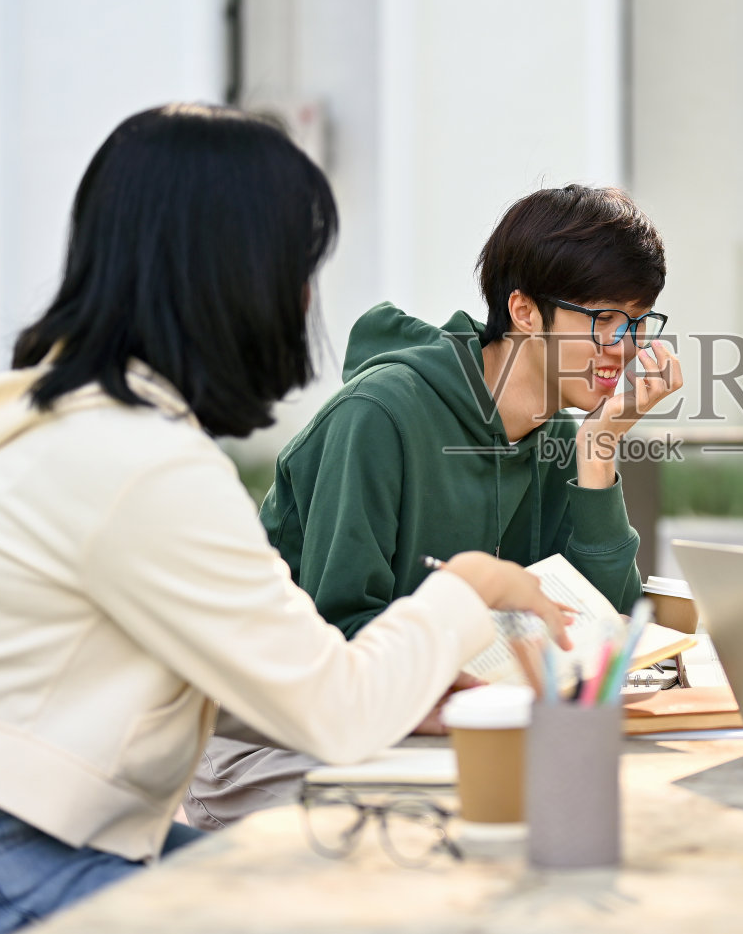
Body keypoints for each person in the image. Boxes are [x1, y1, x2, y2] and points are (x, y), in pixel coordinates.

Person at [0, 105, 568, 934]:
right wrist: (469, 584)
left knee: (359, 886)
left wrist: (410, 693)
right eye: (300, 269)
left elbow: (257, 672)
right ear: (234, 276)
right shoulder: (139, 461)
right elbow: (338, 709)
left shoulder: (97, 428)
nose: (303, 301)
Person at [185, 184, 682, 827]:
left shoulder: (561, 436)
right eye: (603, 319)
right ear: (525, 311)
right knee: (490, 825)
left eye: (638, 321)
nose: (625, 345)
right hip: (275, 743)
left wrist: (600, 447)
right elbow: (337, 637)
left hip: (439, 729)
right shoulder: (378, 417)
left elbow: (601, 634)